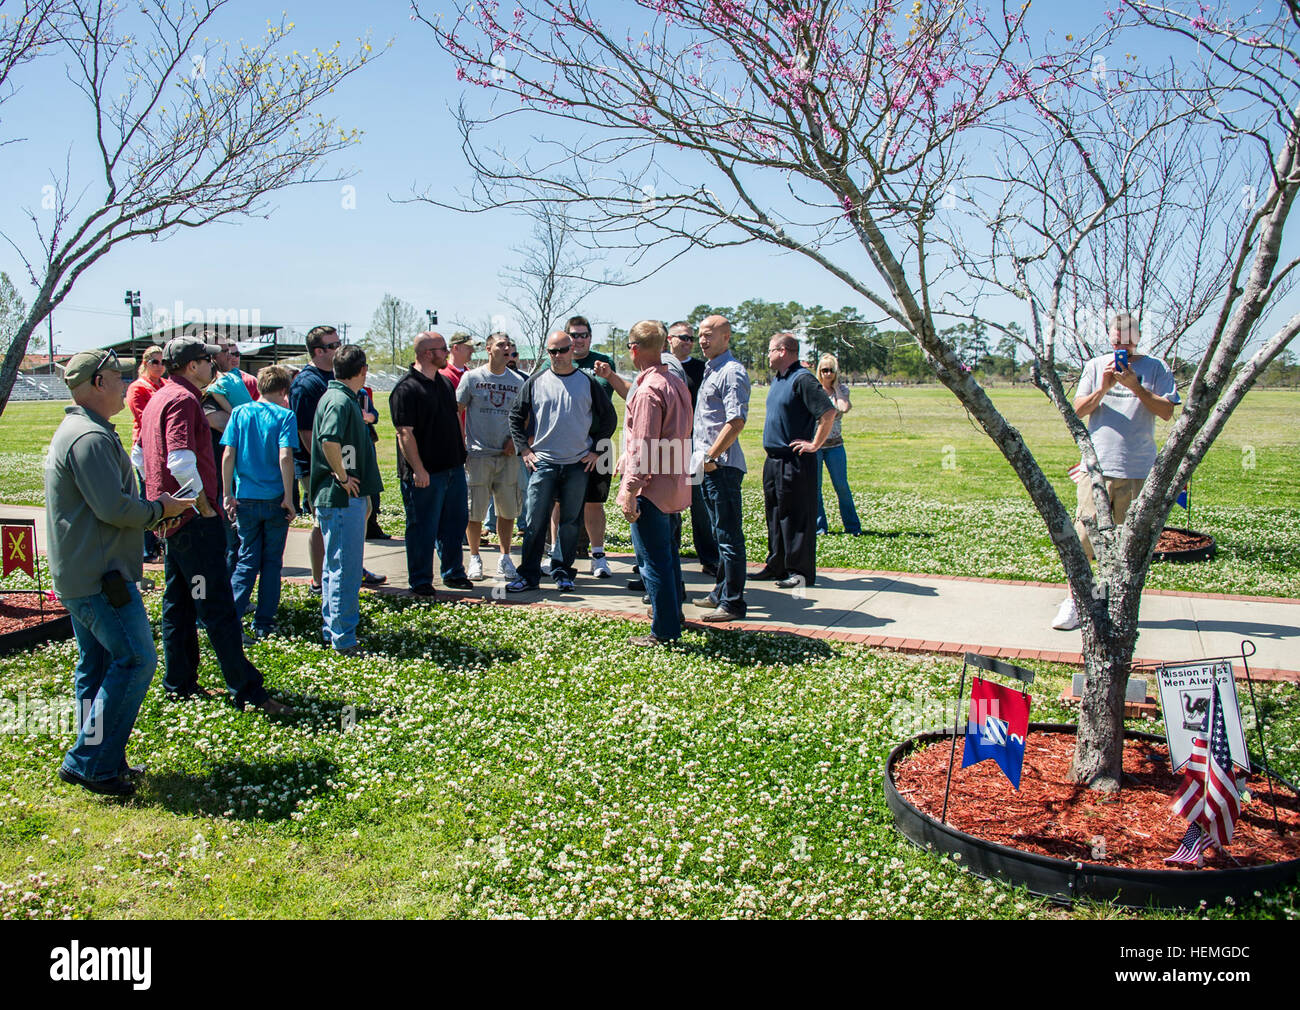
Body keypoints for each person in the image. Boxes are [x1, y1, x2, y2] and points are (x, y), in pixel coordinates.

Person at [46, 349, 193, 796]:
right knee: (136, 658)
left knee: (98, 664)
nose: (124, 383)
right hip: (99, 578)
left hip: (87, 572)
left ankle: (95, 756)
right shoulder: (87, 437)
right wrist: (159, 510)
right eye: (116, 376)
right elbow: (111, 507)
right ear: (95, 383)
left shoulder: (84, 431)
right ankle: (90, 762)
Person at [140, 335, 291, 714]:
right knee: (216, 605)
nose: (215, 365)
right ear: (191, 365)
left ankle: (179, 682)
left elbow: (142, 458)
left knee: (178, 603)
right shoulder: (183, 399)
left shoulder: (159, 395)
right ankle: (247, 690)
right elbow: (179, 460)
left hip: (171, 520)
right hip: (193, 520)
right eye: (207, 360)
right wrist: (204, 506)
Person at [1053, 312, 1179, 630]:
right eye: (1116, 333)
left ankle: (1108, 605)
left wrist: (1135, 387)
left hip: (1137, 469)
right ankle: (1076, 602)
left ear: (1138, 335)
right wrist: (1105, 387)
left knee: (1124, 546)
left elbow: (1166, 412)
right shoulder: (1096, 366)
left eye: (1128, 333)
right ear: (1109, 335)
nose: (1122, 338)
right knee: (1082, 540)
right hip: (1096, 467)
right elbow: (1078, 410)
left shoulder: (1156, 368)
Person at [507, 330, 617, 592]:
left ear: (572, 351)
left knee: (570, 522)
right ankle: (529, 575)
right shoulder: (536, 381)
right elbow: (514, 416)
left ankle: (563, 572)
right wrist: (524, 450)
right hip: (542, 463)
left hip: (578, 463)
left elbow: (609, 418)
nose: (558, 356)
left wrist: (596, 452)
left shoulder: (587, 382)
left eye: (563, 350)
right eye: (553, 351)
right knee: (535, 522)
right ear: (548, 353)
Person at [616, 321, 693, 646]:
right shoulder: (676, 382)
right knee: (668, 556)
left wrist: (630, 490)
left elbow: (643, 447)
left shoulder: (648, 390)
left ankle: (664, 630)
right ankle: (673, 617)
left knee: (653, 561)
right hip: (674, 483)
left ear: (634, 349)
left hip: (651, 488)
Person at [311, 345, 385, 653]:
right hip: (341, 498)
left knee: (335, 566)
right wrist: (342, 477)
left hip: (343, 499)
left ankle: (334, 630)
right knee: (347, 569)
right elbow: (329, 440)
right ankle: (344, 639)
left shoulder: (340, 397)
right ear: (363, 370)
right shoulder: (340, 400)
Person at [389, 332, 474, 596]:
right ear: (428, 353)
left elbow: (454, 420)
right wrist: (418, 469)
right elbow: (405, 433)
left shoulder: (444, 383)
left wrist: (462, 453)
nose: (447, 353)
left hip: (452, 468)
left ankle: (453, 572)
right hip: (425, 474)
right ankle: (421, 579)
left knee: (454, 524)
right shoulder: (406, 389)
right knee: (423, 527)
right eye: (443, 349)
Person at [221, 365, 298, 640]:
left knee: (246, 561)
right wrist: (289, 497)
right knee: (271, 563)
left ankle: (231, 619)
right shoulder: (285, 415)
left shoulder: (240, 413)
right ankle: (264, 622)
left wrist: (227, 492)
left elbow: (228, 454)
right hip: (275, 498)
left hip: (245, 498)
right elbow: (285, 456)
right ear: (283, 390)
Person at [757, 333, 836, 588]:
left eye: (769, 350)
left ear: (782, 351)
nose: (767, 356)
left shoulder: (802, 378)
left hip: (795, 461)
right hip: (774, 461)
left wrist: (815, 444)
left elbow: (828, 412)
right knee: (776, 515)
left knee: (796, 517)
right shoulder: (780, 379)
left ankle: (799, 572)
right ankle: (776, 565)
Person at [692, 315, 752, 621]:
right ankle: (720, 592)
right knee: (719, 534)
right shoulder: (711, 370)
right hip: (710, 465)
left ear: (726, 337)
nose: (703, 340)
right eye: (700, 335)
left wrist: (711, 457)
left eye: (709, 335)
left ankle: (733, 602)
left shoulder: (731, 372)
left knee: (729, 537)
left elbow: (736, 421)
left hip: (722, 467)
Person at [457, 332, 523, 582]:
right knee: (474, 512)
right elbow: (458, 411)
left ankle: (505, 559)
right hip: (478, 456)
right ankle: (474, 558)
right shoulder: (472, 378)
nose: (506, 348)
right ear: (488, 349)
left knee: (508, 511)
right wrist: (460, 444)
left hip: (507, 458)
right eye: (501, 345)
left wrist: (515, 441)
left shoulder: (517, 381)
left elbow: (524, 417)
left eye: (509, 345)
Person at [565, 315, 617, 577]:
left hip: (600, 443)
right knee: (558, 502)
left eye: (583, 335)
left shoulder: (603, 362)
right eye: (574, 335)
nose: (579, 340)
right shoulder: (556, 360)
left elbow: (612, 396)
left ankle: (598, 555)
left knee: (594, 502)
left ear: (590, 337)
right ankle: (556, 554)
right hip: (566, 443)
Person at [290, 326, 339, 594]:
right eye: (333, 346)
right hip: (317, 467)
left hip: (341, 465)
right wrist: (330, 467)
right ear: (319, 351)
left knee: (355, 515)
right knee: (323, 521)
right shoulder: (306, 383)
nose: (339, 349)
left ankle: (348, 566)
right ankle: (318, 580)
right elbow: (307, 433)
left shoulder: (336, 376)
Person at [813, 353, 863, 537]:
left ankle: (852, 527)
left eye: (830, 370)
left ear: (836, 372)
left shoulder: (841, 389)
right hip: (817, 446)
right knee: (815, 488)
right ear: (819, 371)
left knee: (841, 486)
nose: (827, 374)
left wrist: (835, 388)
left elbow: (843, 408)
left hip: (835, 446)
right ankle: (819, 528)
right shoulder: (814, 390)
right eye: (824, 370)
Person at [126, 345, 166, 563]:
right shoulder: (138, 388)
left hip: (164, 448)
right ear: (145, 363)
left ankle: (160, 543)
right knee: (146, 496)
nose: (160, 366)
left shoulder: (166, 385)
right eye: (155, 362)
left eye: (162, 362)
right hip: (145, 448)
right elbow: (144, 418)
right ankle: (145, 547)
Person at [359, 382, 391, 541]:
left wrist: (367, 417)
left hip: (367, 443)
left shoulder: (362, 394)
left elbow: (375, 415)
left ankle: (372, 525)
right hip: (353, 447)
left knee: (373, 489)